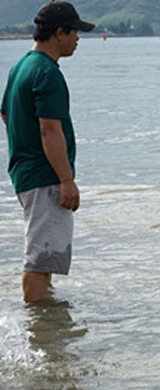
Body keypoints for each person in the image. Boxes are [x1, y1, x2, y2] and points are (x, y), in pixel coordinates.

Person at [1, 1, 95, 303]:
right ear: (59, 32)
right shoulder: (47, 72)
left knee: (44, 253)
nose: (78, 39)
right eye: (75, 32)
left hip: (26, 172)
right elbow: (50, 130)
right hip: (44, 177)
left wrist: (24, 146)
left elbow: (6, 114)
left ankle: (47, 322)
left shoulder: (21, 66)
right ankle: (40, 333)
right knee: (41, 260)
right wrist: (66, 179)